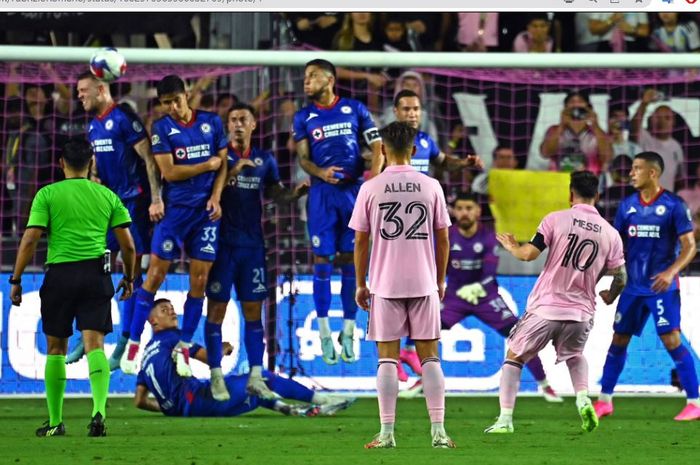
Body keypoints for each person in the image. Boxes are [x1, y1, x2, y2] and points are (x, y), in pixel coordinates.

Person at [9, 139, 136, 437]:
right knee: (95, 346)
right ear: (91, 162)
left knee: (56, 348)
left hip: (60, 276)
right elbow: (129, 246)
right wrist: (129, 278)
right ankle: (99, 413)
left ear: (60, 163)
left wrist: (16, 279)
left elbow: (30, 239)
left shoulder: (47, 194)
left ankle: (55, 421)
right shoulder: (107, 195)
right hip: (96, 275)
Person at [485, 170, 626, 434]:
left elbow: (528, 255)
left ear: (570, 193)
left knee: (514, 358)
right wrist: (610, 294)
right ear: (597, 195)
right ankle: (583, 398)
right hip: (582, 313)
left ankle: (505, 420)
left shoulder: (556, 220)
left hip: (546, 307)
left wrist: (513, 246)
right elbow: (622, 276)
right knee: (574, 355)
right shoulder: (611, 234)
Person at [350, 121, 455, 449]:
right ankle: (438, 432)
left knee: (387, 359)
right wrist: (439, 279)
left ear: (382, 149)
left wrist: (360, 283)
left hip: (385, 282)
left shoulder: (371, 187)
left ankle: (386, 433)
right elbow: (443, 239)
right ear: (413, 150)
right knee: (430, 357)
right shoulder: (431, 185)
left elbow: (360, 241)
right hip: (423, 281)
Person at [120, 75, 228, 377]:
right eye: (166, 102)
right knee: (153, 275)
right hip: (176, 212)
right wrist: (205, 166)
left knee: (199, 281)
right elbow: (169, 172)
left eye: (176, 100)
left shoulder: (211, 122)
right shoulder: (162, 128)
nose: (172, 107)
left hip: (205, 215)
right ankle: (132, 343)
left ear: (187, 94)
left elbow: (224, 164)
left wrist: (217, 197)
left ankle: (183, 347)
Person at [205, 103, 308, 401]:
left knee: (254, 313)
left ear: (253, 125)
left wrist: (294, 194)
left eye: (243, 119)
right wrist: (233, 171)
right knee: (217, 311)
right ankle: (215, 375)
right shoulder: (220, 159)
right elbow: (208, 196)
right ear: (227, 126)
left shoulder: (265, 159)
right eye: (233, 119)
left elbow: (275, 194)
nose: (238, 124)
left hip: (252, 247)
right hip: (222, 246)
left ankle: (255, 375)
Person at [65, 71, 164, 370]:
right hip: (109, 205)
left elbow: (148, 157)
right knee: (92, 262)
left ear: (100, 89)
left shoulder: (123, 118)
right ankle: (88, 333)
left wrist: (157, 199)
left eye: (83, 90)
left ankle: (123, 343)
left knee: (131, 270)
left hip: (134, 202)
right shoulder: (94, 126)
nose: (79, 95)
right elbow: (98, 169)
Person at [594, 152, 700, 421]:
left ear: (653, 173)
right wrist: (614, 288)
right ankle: (604, 400)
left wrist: (670, 272)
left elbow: (689, 246)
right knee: (618, 339)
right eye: (632, 168)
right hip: (632, 288)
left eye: (637, 168)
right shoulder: (627, 205)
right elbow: (617, 250)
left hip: (661, 287)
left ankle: (695, 402)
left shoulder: (674, 205)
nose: (631, 173)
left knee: (671, 339)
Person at [385, 89, 482, 382]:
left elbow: (442, 161)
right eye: (406, 109)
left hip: (420, 224)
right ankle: (395, 352)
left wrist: (463, 163)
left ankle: (408, 349)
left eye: (416, 109)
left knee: (420, 288)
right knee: (393, 289)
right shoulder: (386, 143)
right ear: (395, 111)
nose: (412, 113)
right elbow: (374, 174)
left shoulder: (425, 141)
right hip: (393, 226)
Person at [292, 59, 381, 365]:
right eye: (305, 77)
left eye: (312, 76)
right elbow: (303, 158)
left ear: (329, 79)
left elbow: (377, 147)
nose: (306, 82)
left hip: (354, 193)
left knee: (351, 262)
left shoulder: (355, 109)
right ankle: (324, 331)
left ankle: (348, 330)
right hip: (321, 196)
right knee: (322, 261)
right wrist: (319, 171)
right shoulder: (303, 117)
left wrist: (373, 172)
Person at [434, 193, 561, 402]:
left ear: (477, 211)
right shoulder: (447, 236)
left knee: (520, 337)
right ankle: (423, 379)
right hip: (456, 298)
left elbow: (489, 271)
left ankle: (545, 386)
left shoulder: (488, 236)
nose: (464, 212)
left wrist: (476, 288)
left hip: (486, 298)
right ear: (454, 211)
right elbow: (438, 267)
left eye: (469, 208)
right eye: (460, 208)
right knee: (425, 328)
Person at [135, 298, 355, 418]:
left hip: (186, 407)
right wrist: (224, 347)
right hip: (199, 400)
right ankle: (325, 401)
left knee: (254, 392)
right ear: (153, 321)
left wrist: (168, 409)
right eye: (165, 310)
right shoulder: (173, 338)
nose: (172, 312)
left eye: (172, 309)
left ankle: (290, 410)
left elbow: (140, 401)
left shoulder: (145, 355)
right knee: (261, 378)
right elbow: (210, 358)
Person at [540, 91, 612, 175]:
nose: (576, 105)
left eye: (580, 101)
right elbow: (545, 153)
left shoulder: (598, 133)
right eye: (572, 102)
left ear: (589, 107)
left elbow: (607, 158)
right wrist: (561, 126)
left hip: (588, 183)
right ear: (565, 108)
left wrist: (595, 126)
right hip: (558, 182)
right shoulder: (554, 130)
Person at [630, 89, 684, 192]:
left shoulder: (676, 146)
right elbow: (634, 127)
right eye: (658, 117)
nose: (662, 122)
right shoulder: (645, 138)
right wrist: (644, 104)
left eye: (667, 118)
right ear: (650, 120)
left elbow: (680, 178)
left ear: (674, 122)